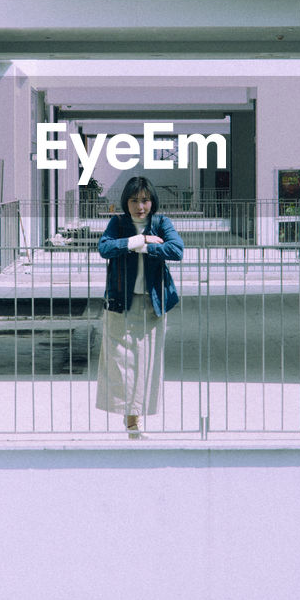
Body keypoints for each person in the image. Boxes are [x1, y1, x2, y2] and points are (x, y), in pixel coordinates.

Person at [96, 175, 184, 438]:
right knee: (121, 363)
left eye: (144, 200)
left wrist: (149, 248)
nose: (140, 206)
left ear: (152, 201)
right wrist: (138, 241)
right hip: (121, 302)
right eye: (134, 200)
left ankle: (136, 419)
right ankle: (131, 419)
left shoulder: (161, 222)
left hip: (152, 304)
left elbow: (177, 250)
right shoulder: (119, 223)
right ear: (127, 202)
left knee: (146, 363)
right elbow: (104, 248)